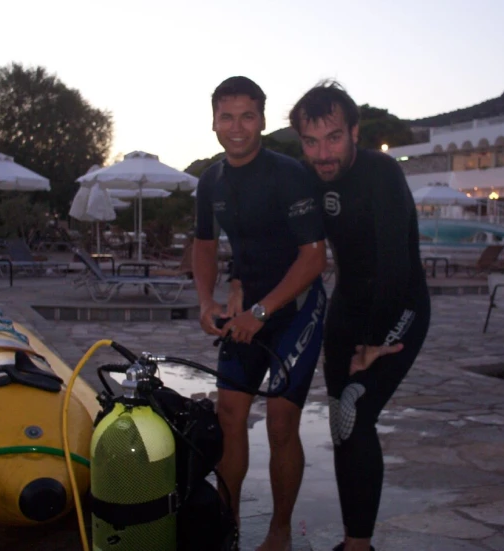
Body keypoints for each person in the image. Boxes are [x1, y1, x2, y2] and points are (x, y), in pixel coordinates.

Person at [289, 81, 431, 551]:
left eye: (332, 137)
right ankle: (355, 542)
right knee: (340, 422)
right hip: (348, 304)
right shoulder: (312, 178)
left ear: (354, 132)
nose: (322, 152)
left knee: (355, 411)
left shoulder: (382, 173)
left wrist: (373, 344)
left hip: (399, 307)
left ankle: (359, 546)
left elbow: (396, 265)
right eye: (311, 141)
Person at [193, 76, 328, 551]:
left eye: (247, 116)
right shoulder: (210, 181)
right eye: (227, 116)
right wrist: (208, 300)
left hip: (295, 307)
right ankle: (227, 529)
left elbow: (314, 257)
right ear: (213, 121)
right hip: (245, 306)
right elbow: (204, 245)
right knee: (230, 412)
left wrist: (262, 309)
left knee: (279, 421)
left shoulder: (290, 174)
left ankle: (280, 531)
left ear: (263, 121)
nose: (237, 126)